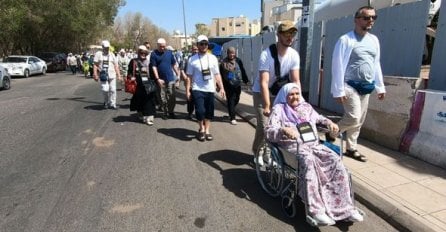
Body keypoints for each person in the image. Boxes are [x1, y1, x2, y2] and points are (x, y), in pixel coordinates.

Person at [264, 83, 364, 225]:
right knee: (309, 162)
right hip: (293, 147)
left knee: (335, 160)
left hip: (313, 145)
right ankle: (316, 211)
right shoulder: (279, 109)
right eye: (291, 94)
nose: (295, 97)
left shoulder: (306, 107)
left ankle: (345, 208)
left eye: (297, 93)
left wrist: (330, 123)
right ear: (285, 96)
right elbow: (268, 131)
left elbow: (319, 118)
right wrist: (282, 130)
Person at [330, 6, 386, 162]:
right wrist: (338, 90)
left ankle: (351, 148)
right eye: (366, 17)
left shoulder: (374, 40)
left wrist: (380, 87)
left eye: (374, 17)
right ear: (356, 19)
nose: (371, 21)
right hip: (349, 85)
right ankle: (332, 132)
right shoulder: (346, 40)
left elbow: (376, 64)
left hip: (366, 86)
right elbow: (337, 65)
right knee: (354, 117)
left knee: (359, 121)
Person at [251, 20, 301, 153]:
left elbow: (296, 81)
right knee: (265, 124)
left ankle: (268, 152)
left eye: (292, 33)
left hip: (279, 92)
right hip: (261, 92)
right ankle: (258, 152)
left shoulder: (294, 55)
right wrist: (267, 105)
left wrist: (299, 102)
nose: (290, 36)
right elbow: (263, 82)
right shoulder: (266, 55)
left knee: (280, 125)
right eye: (286, 33)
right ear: (278, 35)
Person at [186, 35, 225, 141]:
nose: (203, 46)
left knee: (209, 111)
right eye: (201, 44)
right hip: (197, 88)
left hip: (210, 89)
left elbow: (217, 74)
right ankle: (201, 129)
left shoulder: (213, 58)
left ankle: (207, 131)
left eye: (205, 44)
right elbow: (189, 77)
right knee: (200, 111)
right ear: (197, 45)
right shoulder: (192, 60)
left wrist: (221, 88)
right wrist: (187, 91)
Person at [150, 38, 181, 119]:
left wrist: (178, 74)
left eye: (164, 46)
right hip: (160, 79)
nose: (163, 48)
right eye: (161, 46)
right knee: (161, 96)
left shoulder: (169, 53)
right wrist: (157, 79)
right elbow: (154, 67)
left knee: (172, 96)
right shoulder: (153, 54)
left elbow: (173, 64)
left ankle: (171, 111)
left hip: (170, 78)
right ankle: (165, 112)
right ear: (157, 45)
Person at [219, 47, 249, 125]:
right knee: (231, 100)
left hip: (237, 84)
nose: (232, 55)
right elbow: (220, 75)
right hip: (227, 84)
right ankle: (232, 117)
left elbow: (242, 70)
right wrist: (219, 85)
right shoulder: (223, 62)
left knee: (237, 99)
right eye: (230, 53)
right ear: (227, 53)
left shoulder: (238, 61)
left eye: (233, 53)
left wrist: (246, 80)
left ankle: (230, 109)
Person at [128, 45, 156, 125]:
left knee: (149, 101)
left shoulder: (149, 62)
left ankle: (149, 117)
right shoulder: (133, 61)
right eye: (141, 52)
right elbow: (129, 72)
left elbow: (152, 73)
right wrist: (131, 77)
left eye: (144, 53)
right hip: (138, 85)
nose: (143, 54)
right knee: (139, 101)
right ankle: (142, 114)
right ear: (138, 52)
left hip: (148, 84)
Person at [93, 40, 122, 109]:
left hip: (112, 75)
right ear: (102, 47)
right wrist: (95, 74)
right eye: (105, 47)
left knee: (113, 90)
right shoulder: (98, 54)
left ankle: (113, 103)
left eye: (108, 47)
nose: (107, 48)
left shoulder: (112, 54)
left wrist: (119, 75)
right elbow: (95, 65)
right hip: (103, 75)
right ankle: (106, 102)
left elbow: (116, 65)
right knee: (105, 90)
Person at [181, 45, 198, 120]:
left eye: (197, 49)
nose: (196, 51)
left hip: (198, 83)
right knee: (190, 99)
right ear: (191, 50)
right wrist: (185, 77)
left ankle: (199, 115)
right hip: (189, 82)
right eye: (194, 49)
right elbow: (181, 69)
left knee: (198, 100)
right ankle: (190, 113)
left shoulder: (201, 58)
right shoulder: (187, 59)